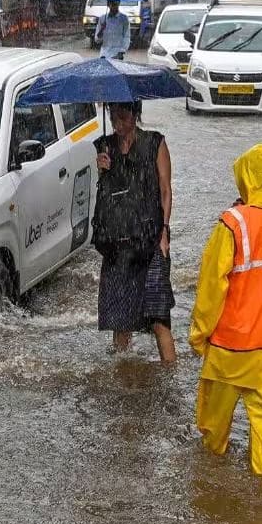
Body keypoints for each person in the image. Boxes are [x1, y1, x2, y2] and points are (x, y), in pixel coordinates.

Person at [189, 144, 262, 475]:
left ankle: (211, 491)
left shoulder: (232, 223)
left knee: (213, 434)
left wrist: (199, 336)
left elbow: (211, 288)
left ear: (245, 175)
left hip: (231, 348)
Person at [93, 101, 176, 362]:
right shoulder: (105, 146)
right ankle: (123, 374)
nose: (118, 123)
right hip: (118, 243)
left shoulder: (155, 143)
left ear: (135, 114)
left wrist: (163, 231)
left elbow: (165, 189)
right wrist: (102, 169)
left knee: (158, 315)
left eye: (123, 117)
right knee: (121, 319)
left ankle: (170, 378)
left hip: (151, 240)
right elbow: (107, 196)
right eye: (113, 117)